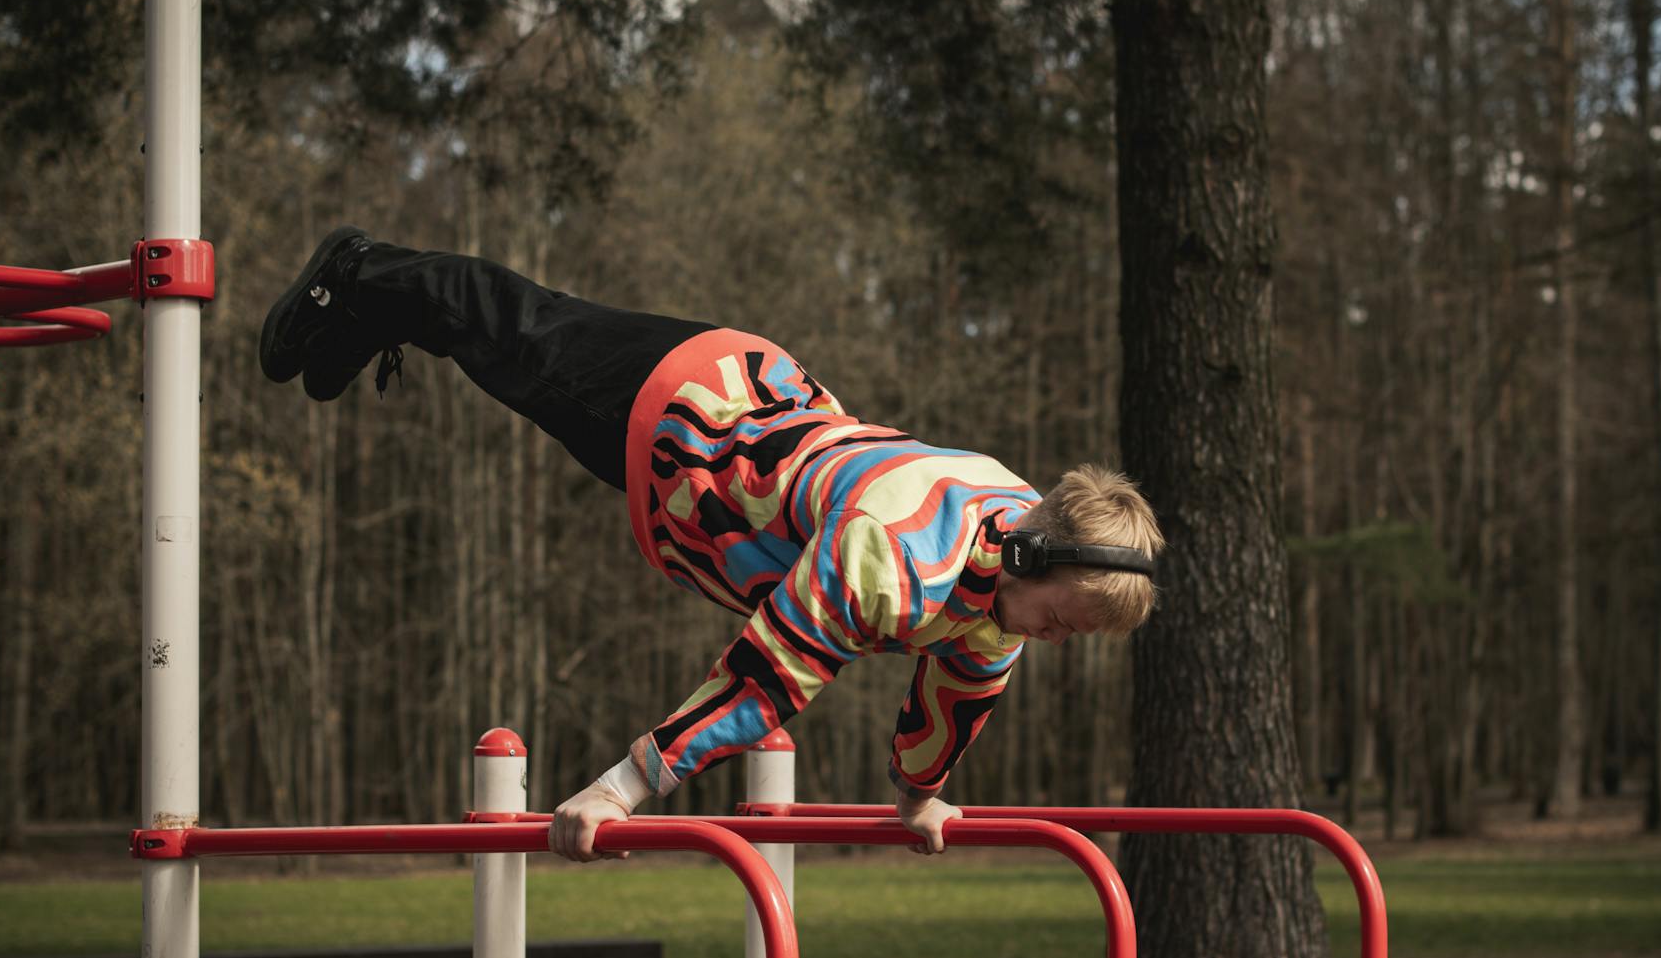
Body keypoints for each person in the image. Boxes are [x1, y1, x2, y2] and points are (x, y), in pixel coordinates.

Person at [259, 226, 1165, 861]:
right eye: (1065, 622)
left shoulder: (1008, 568)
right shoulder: (893, 556)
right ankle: (360, 273)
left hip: (741, 433)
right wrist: (623, 786)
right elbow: (769, 674)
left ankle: (372, 312)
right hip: (691, 416)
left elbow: (957, 699)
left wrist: (917, 799)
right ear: (1030, 559)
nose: (1056, 641)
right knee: (517, 335)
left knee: (510, 359)